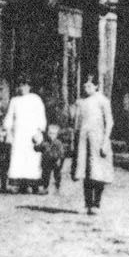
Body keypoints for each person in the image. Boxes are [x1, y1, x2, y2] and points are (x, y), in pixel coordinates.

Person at [71, 77, 114, 215]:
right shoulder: (81, 102)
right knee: (86, 172)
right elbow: (76, 124)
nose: (86, 89)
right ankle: (87, 203)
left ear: (96, 86)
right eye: (85, 86)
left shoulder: (103, 101)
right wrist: (74, 141)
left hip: (98, 139)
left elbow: (109, 122)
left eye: (89, 86)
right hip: (84, 140)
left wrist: (105, 141)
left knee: (98, 171)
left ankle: (97, 203)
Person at [2, 77, 47, 194]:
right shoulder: (14, 100)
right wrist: (7, 130)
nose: (22, 88)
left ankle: (34, 185)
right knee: (18, 157)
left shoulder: (36, 99)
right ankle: (17, 184)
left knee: (32, 157)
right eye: (20, 85)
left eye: (25, 85)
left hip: (32, 133)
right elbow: (9, 117)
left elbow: (41, 116)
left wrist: (39, 131)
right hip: (18, 134)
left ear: (29, 86)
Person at [39, 122, 68, 194]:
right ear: (47, 133)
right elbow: (39, 148)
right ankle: (45, 188)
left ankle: (57, 188)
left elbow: (61, 152)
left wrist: (59, 159)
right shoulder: (45, 142)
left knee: (57, 175)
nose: (51, 135)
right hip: (47, 161)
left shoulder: (58, 143)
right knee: (45, 175)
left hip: (55, 161)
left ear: (57, 134)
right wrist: (36, 146)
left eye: (54, 134)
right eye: (50, 133)